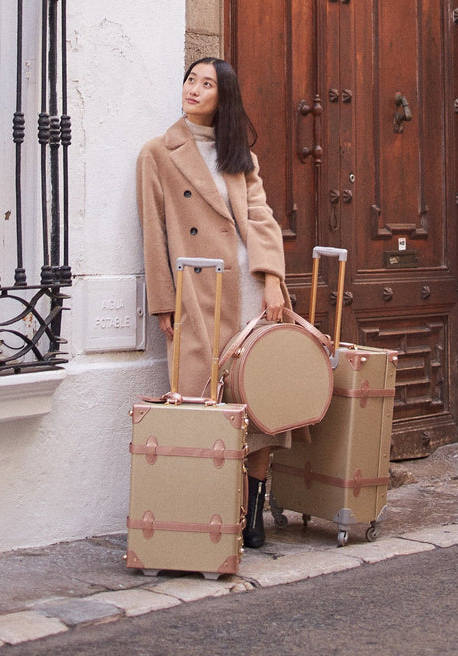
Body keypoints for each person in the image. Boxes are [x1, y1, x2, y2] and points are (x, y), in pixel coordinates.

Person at [136, 56, 291, 548]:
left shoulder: (236, 151)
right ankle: (209, 509)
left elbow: (261, 217)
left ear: (224, 97)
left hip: (247, 286)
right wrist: (163, 301)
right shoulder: (158, 153)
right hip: (198, 292)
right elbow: (153, 232)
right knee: (202, 399)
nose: (195, 89)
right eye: (190, 80)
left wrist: (272, 279)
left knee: (262, 399)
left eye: (207, 84)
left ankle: (254, 511)